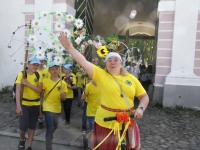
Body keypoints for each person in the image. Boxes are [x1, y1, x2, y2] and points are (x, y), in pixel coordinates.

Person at [59, 33, 149, 149]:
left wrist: (140, 108)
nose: (112, 62)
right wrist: (69, 48)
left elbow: (144, 96)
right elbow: (83, 62)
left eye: (115, 60)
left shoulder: (131, 78)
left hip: (126, 123)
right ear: (106, 64)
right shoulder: (101, 75)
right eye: (109, 60)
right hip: (105, 123)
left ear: (121, 64)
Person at [15, 57, 42, 150]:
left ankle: (29, 145)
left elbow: (39, 90)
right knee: (23, 127)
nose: (35, 66)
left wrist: (27, 84)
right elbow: (18, 91)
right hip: (24, 104)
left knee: (32, 126)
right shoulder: (22, 74)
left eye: (37, 65)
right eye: (33, 64)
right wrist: (18, 106)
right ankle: (22, 139)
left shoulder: (39, 75)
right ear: (28, 64)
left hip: (35, 104)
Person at [41, 62, 68, 150]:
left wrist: (63, 96)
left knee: (55, 126)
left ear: (59, 70)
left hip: (57, 108)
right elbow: (41, 95)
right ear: (49, 71)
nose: (55, 71)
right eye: (52, 69)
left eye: (56, 69)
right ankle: (48, 147)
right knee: (50, 127)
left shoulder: (62, 83)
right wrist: (40, 108)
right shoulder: (45, 81)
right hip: (47, 107)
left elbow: (64, 98)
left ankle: (49, 136)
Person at [37, 58, 50, 129]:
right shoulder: (35, 70)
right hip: (36, 90)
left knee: (43, 105)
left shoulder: (47, 70)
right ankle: (40, 120)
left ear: (44, 62)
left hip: (44, 90)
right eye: (39, 61)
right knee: (39, 105)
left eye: (42, 61)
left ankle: (46, 119)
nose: (41, 63)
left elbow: (49, 80)